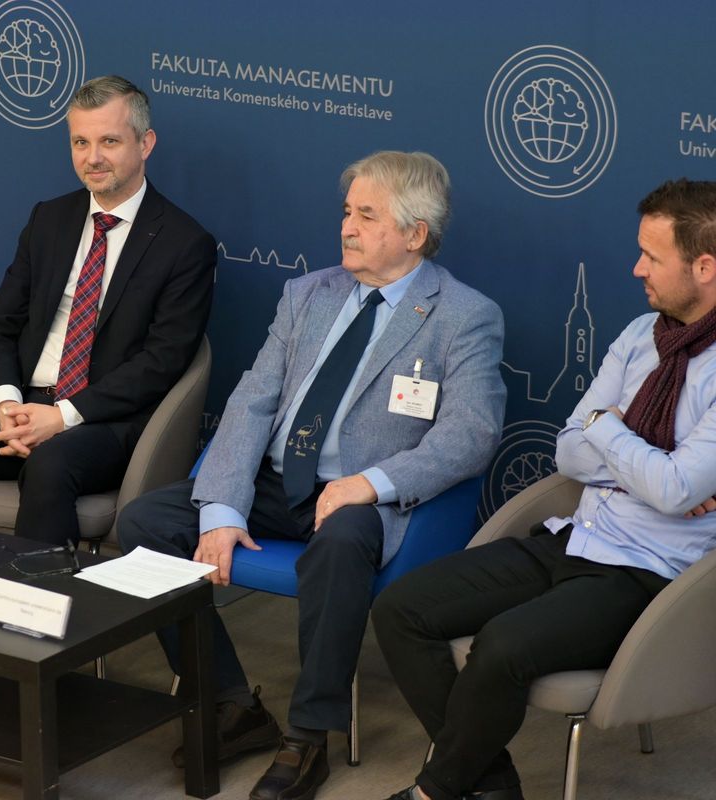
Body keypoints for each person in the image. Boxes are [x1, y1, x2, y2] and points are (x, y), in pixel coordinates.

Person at [118, 151, 506, 800]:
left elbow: (472, 436)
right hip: (278, 483)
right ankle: (230, 704)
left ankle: (308, 736)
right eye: (347, 212)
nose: (347, 227)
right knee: (145, 523)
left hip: (365, 499)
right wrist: (222, 510)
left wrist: (371, 484)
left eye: (367, 216)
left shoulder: (462, 316)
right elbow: (251, 403)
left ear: (415, 233)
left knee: (342, 541)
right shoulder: (307, 294)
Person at [374, 178, 716, 800]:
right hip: (574, 537)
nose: (635, 267)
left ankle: (435, 792)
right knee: (401, 609)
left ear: (705, 267)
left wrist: (608, 429)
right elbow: (569, 451)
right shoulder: (641, 334)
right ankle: (489, 785)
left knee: (502, 646)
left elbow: (667, 488)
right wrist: (647, 462)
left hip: (647, 572)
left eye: (652, 256)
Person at [0, 75, 215, 546]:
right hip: (22, 406)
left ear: (145, 143)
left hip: (102, 424)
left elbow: (163, 361)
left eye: (109, 141)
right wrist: (7, 405)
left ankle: (29, 594)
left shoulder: (185, 243)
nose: (93, 158)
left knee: (49, 463)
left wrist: (62, 417)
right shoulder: (50, 219)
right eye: (80, 142)